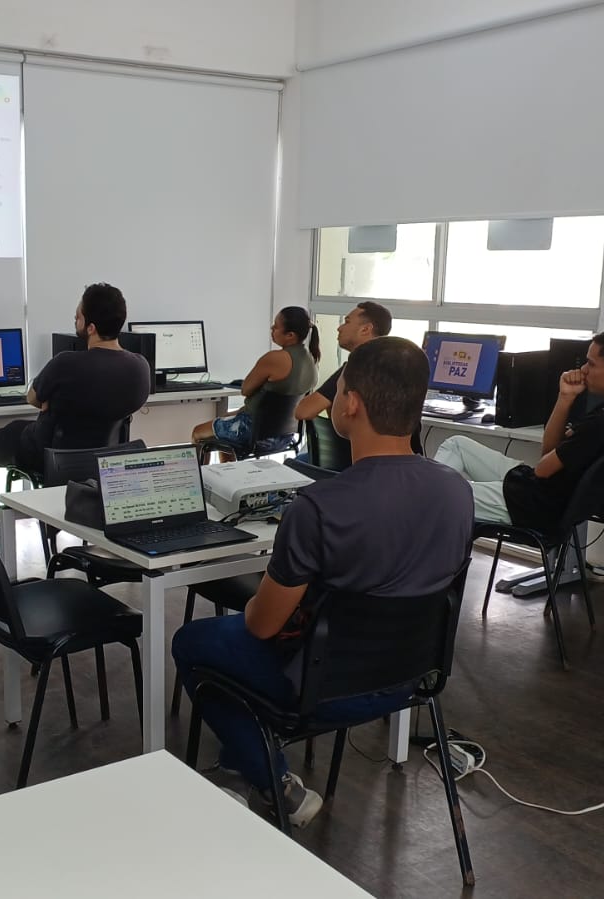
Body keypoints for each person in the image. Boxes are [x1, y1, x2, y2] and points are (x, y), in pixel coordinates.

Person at [172, 337, 473, 826]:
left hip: (322, 685)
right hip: (409, 679)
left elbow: (263, 626)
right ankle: (237, 765)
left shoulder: (318, 507)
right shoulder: (456, 491)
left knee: (193, 642)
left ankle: (274, 781)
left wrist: (261, 592)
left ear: (350, 404)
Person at [0, 283, 151, 529]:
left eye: (78, 316)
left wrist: (53, 401)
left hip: (46, 454)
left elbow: (32, 398)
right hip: (102, 458)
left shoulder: (66, 363)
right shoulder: (140, 367)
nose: (74, 320)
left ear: (91, 327)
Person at [433, 328, 604, 528]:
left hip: (529, 504)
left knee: (435, 495)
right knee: (456, 445)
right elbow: (548, 454)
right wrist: (565, 398)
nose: (583, 369)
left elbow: (542, 468)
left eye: (591, 363)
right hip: (534, 488)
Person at [192, 306, 320, 457]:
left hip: (253, 433)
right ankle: (227, 470)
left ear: (290, 335)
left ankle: (201, 472)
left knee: (198, 432)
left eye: (276, 326)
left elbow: (245, 390)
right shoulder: (311, 359)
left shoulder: (275, 358)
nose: (272, 329)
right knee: (225, 419)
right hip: (285, 437)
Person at [293, 301, 393, 422]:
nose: (339, 328)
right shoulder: (388, 366)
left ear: (365, 329)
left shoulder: (358, 367)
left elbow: (304, 411)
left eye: (347, 322)